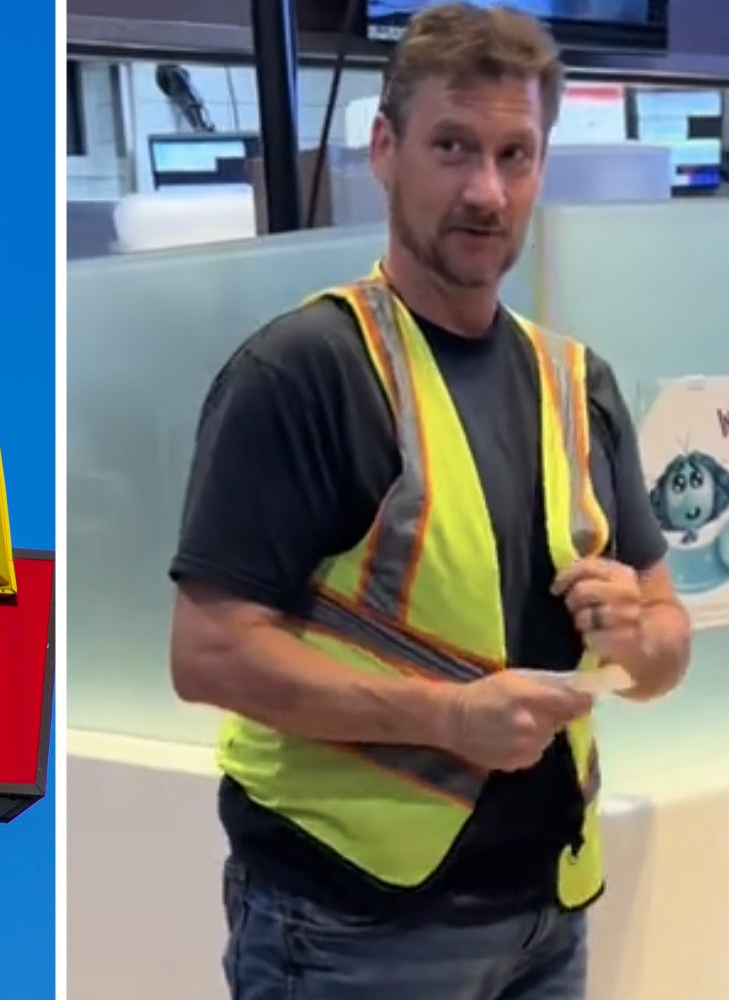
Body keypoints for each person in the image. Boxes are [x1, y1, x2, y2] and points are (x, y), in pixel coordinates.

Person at [166, 5, 690, 999]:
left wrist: (638, 631)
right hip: (350, 928)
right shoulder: (300, 371)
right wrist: (443, 718)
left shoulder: (578, 382)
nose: (484, 191)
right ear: (384, 149)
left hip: (547, 913)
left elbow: (665, 644)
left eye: (513, 154)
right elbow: (205, 653)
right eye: (451, 147)